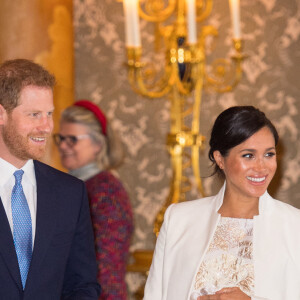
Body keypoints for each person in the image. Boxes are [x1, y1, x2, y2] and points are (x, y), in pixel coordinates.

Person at [143, 106, 300, 300]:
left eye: (269, 154)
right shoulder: (179, 219)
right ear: (220, 159)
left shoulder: (294, 226)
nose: (262, 167)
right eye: (248, 155)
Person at [0, 59, 101, 299]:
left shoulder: (71, 193)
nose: (46, 127)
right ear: (1, 114)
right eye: (34, 114)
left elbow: (83, 284)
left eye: (49, 114)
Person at [54, 100, 134, 300]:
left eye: (72, 139)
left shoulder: (105, 190)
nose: (63, 146)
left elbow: (104, 265)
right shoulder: (73, 185)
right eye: (61, 138)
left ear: (98, 144)